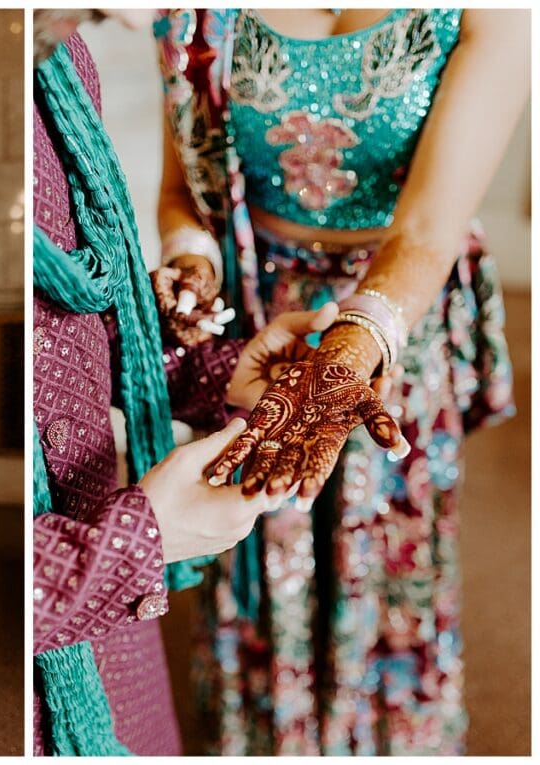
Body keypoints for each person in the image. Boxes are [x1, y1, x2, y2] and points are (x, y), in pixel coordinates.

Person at [153, 8, 526, 755]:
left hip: (396, 317)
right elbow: (186, 190)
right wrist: (193, 265)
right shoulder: (192, 13)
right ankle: (266, 729)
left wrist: (356, 345)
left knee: (383, 535)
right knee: (258, 532)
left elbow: (426, 227)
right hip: (259, 322)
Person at [30, 10, 386, 755]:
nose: (141, 15)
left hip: (111, 583)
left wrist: (219, 371)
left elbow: (79, 347)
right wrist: (135, 540)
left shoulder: (63, 65)